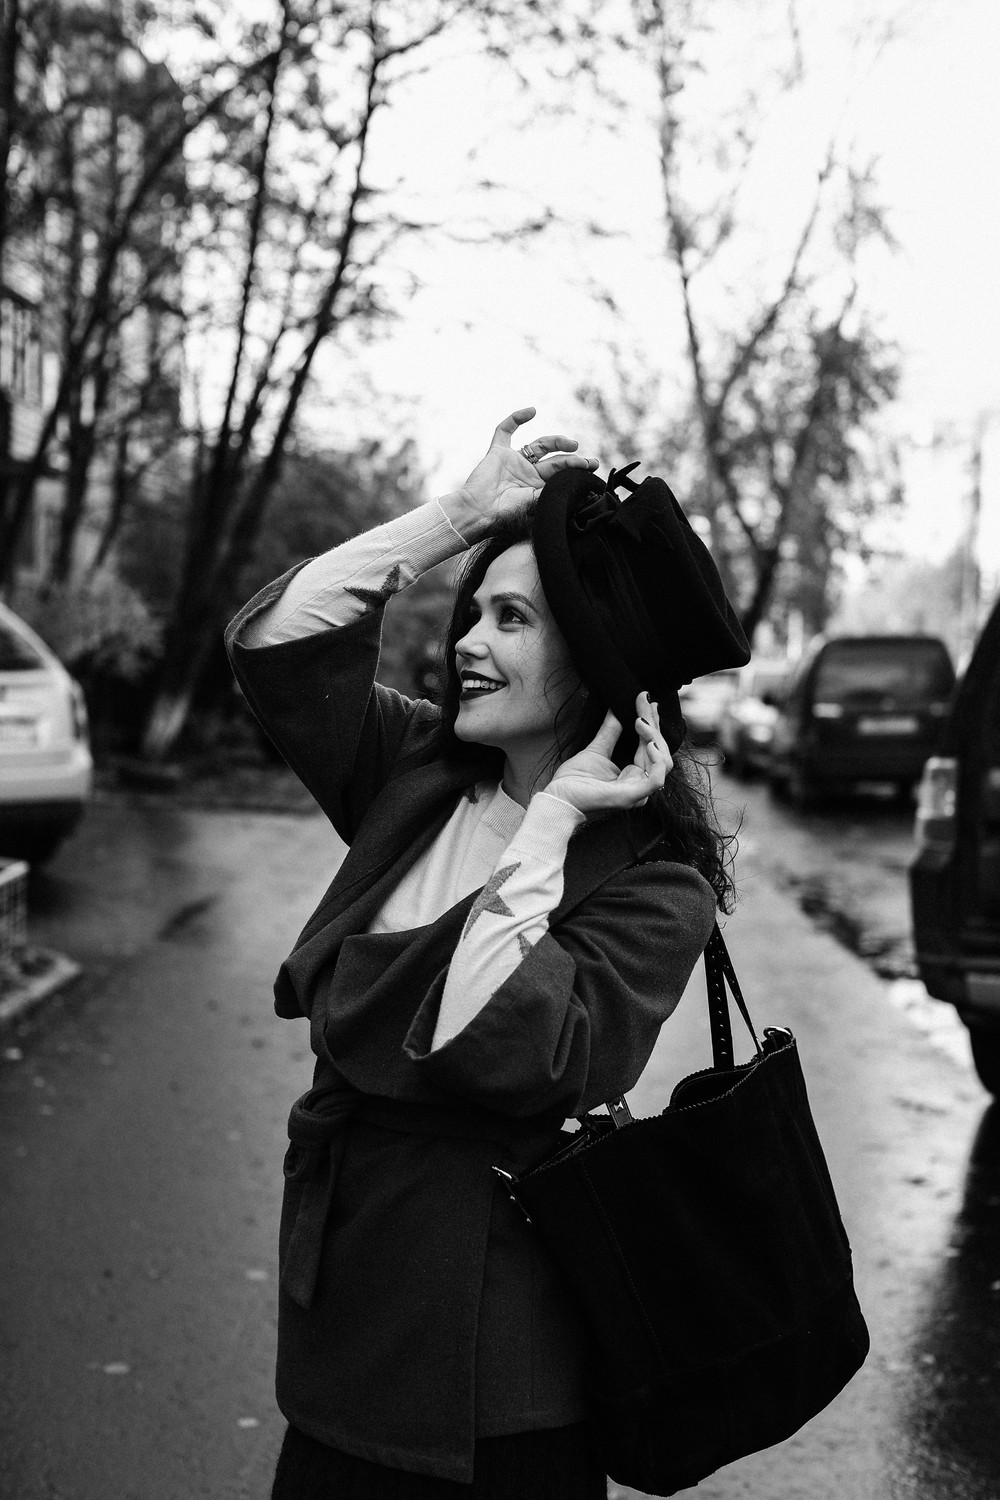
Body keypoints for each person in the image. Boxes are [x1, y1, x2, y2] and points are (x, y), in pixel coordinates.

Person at [225, 407, 751, 1499]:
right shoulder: (418, 775)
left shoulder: (658, 887)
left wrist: (551, 822)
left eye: (510, 619)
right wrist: (457, 519)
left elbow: (504, 1045)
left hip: (494, 1381)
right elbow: (279, 644)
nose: (465, 641)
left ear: (597, 661)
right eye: (475, 611)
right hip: (342, 1319)